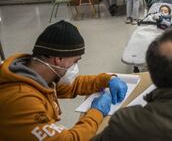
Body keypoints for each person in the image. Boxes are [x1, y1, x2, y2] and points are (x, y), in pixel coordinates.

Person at [0, 20, 128, 140]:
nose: (75, 67)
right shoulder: (22, 101)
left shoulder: (36, 75)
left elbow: (74, 85)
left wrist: (107, 79)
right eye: (75, 61)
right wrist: (97, 112)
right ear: (59, 59)